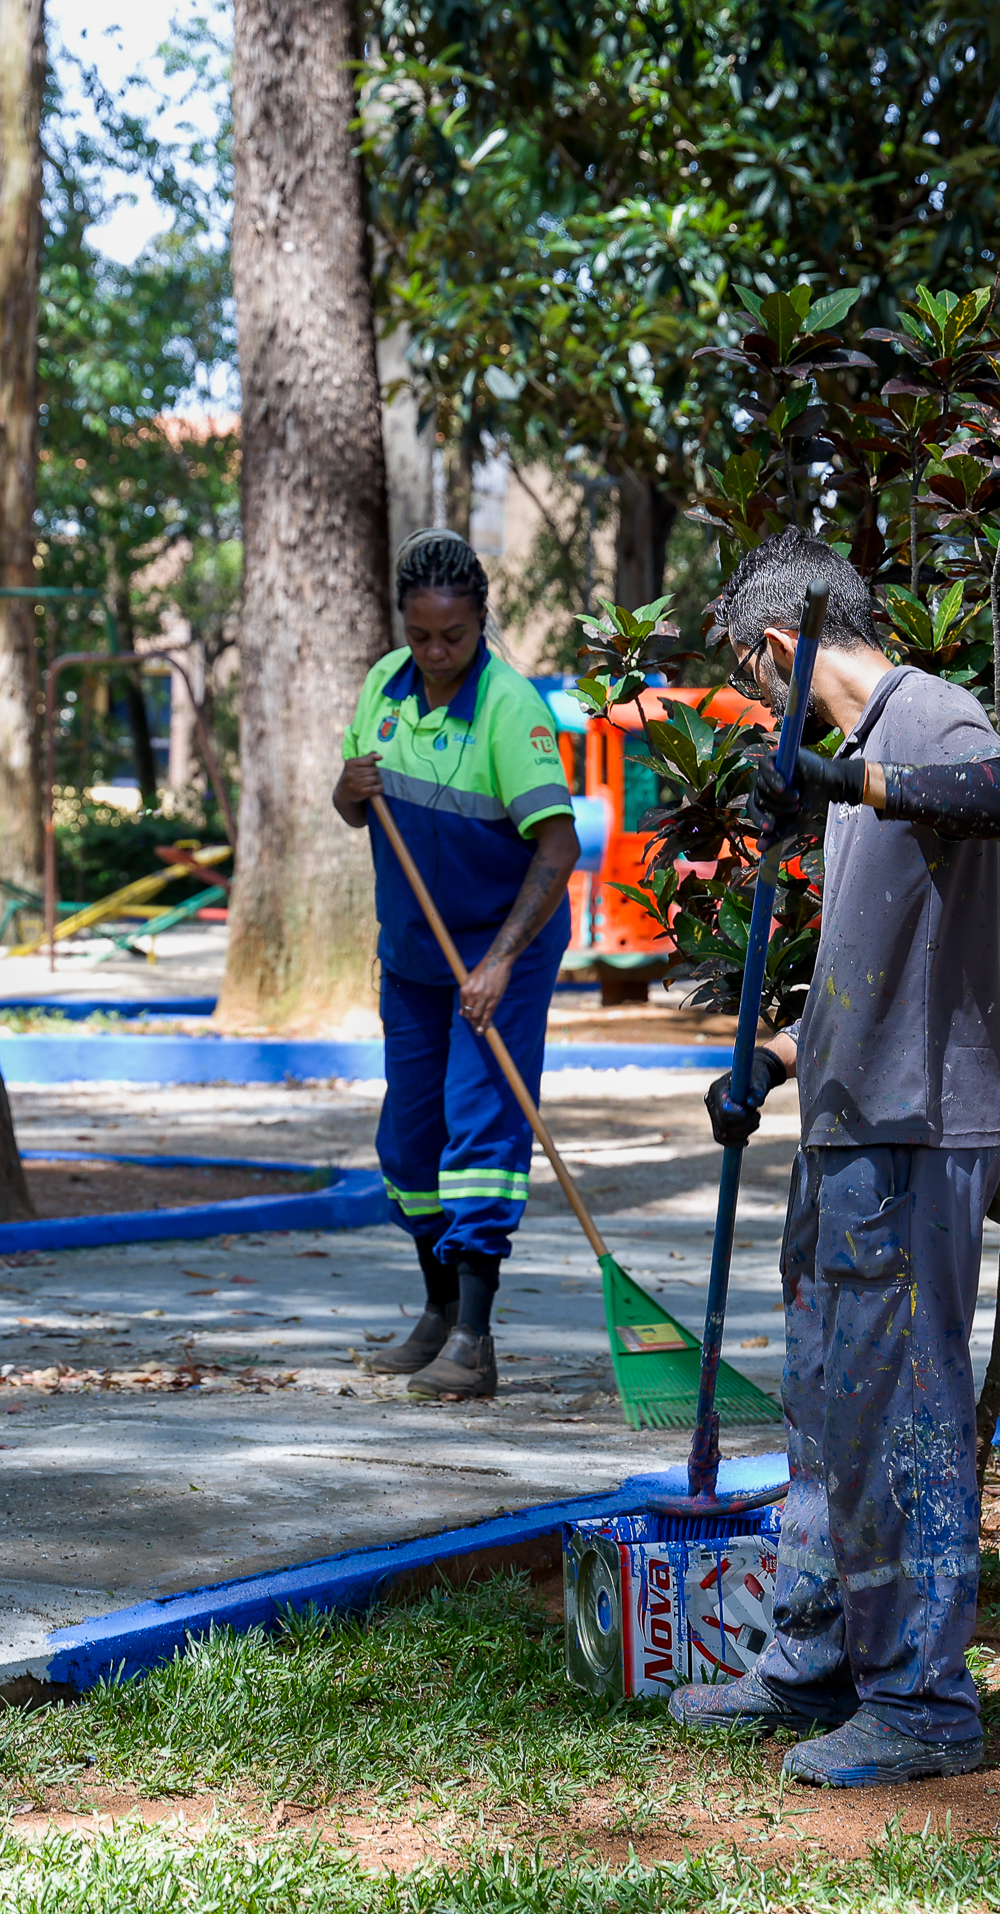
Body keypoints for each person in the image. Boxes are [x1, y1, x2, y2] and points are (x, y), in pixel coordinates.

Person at [664, 530, 1000, 1787]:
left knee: (903, 1419)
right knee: (829, 1419)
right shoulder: (868, 756)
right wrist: (768, 1063)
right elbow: (868, 974)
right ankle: (812, 1664)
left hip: (912, 1135)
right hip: (846, 1130)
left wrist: (850, 784)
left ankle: (924, 1707)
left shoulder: (928, 719)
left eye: (749, 681)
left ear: (777, 652)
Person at [332, 529, 580, 1400]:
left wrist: (500, 962)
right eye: (421, 636)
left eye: (454, 638)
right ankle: (436, 1312)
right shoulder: (383, 687)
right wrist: (349, 791)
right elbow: (355, 808)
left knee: (480, 1133)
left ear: (482, 623)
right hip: (412, 955)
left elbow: (558, 844)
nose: (436, 654)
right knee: (409, 1140)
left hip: (497, 948)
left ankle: (474, 1341)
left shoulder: (513, 709)